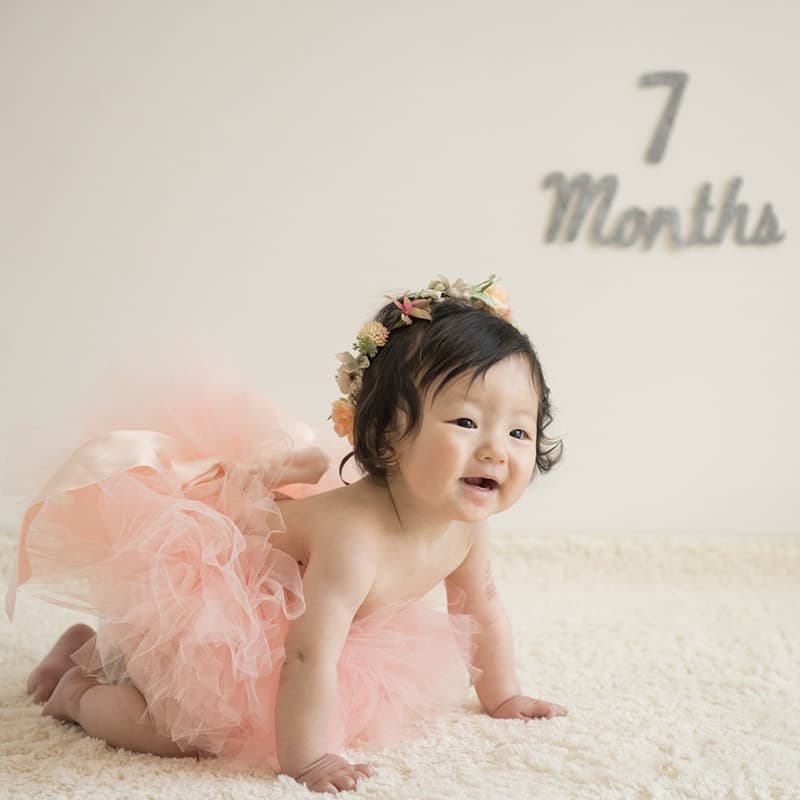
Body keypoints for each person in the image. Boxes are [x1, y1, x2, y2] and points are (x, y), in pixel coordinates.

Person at [8, 274, 566, 794]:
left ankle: (85, 650)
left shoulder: (467, 531)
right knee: (183, 732)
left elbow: (483, 610)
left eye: (519, 431)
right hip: (219, 609)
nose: (496, 450)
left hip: (298, 626)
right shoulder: (354, 540)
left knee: (306, 706)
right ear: (388, 435)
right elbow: (305, 657)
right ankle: (77, 694)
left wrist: (504, 696)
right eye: (466, 422)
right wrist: (309, 758)